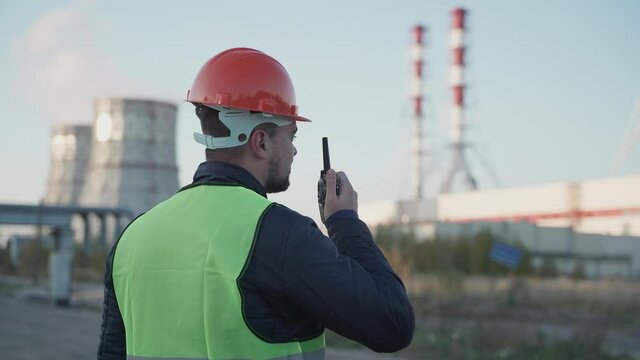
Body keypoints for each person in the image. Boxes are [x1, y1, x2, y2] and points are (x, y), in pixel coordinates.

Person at [98, 47, 414, 360]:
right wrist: (345, 222)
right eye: (291, 137)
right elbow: (393, 323)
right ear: (260, 141)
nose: (294, 152)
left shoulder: (132, 238)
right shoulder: (283, 236)